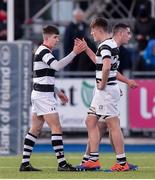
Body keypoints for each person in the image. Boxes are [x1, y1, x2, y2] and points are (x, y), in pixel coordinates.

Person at [19, 25, 85, 172]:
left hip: (40, 94)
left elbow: (43, 76)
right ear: (47, 38)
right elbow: (57, 66)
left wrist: (57, 91)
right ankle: (62, 164)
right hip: (43, 96)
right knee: (56, 127)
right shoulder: (43, 51)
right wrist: (74, 52)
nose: (57, 40)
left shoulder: (44, 51)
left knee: (35, 129)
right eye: (55, 37)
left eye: (58, 37)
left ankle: (25, 163)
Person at [75, 18, 138, 172]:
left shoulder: (105, 46)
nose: (91, 33)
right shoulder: (110, 45)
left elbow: (107, 67)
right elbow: (104, 65)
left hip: (105, 91)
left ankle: (112, 162)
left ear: (99, 29)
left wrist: (102, 84)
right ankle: (93, 160)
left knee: (111, 124)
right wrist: (87, 49)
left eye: (93, 30)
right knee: (93, 122)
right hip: (108, 90)